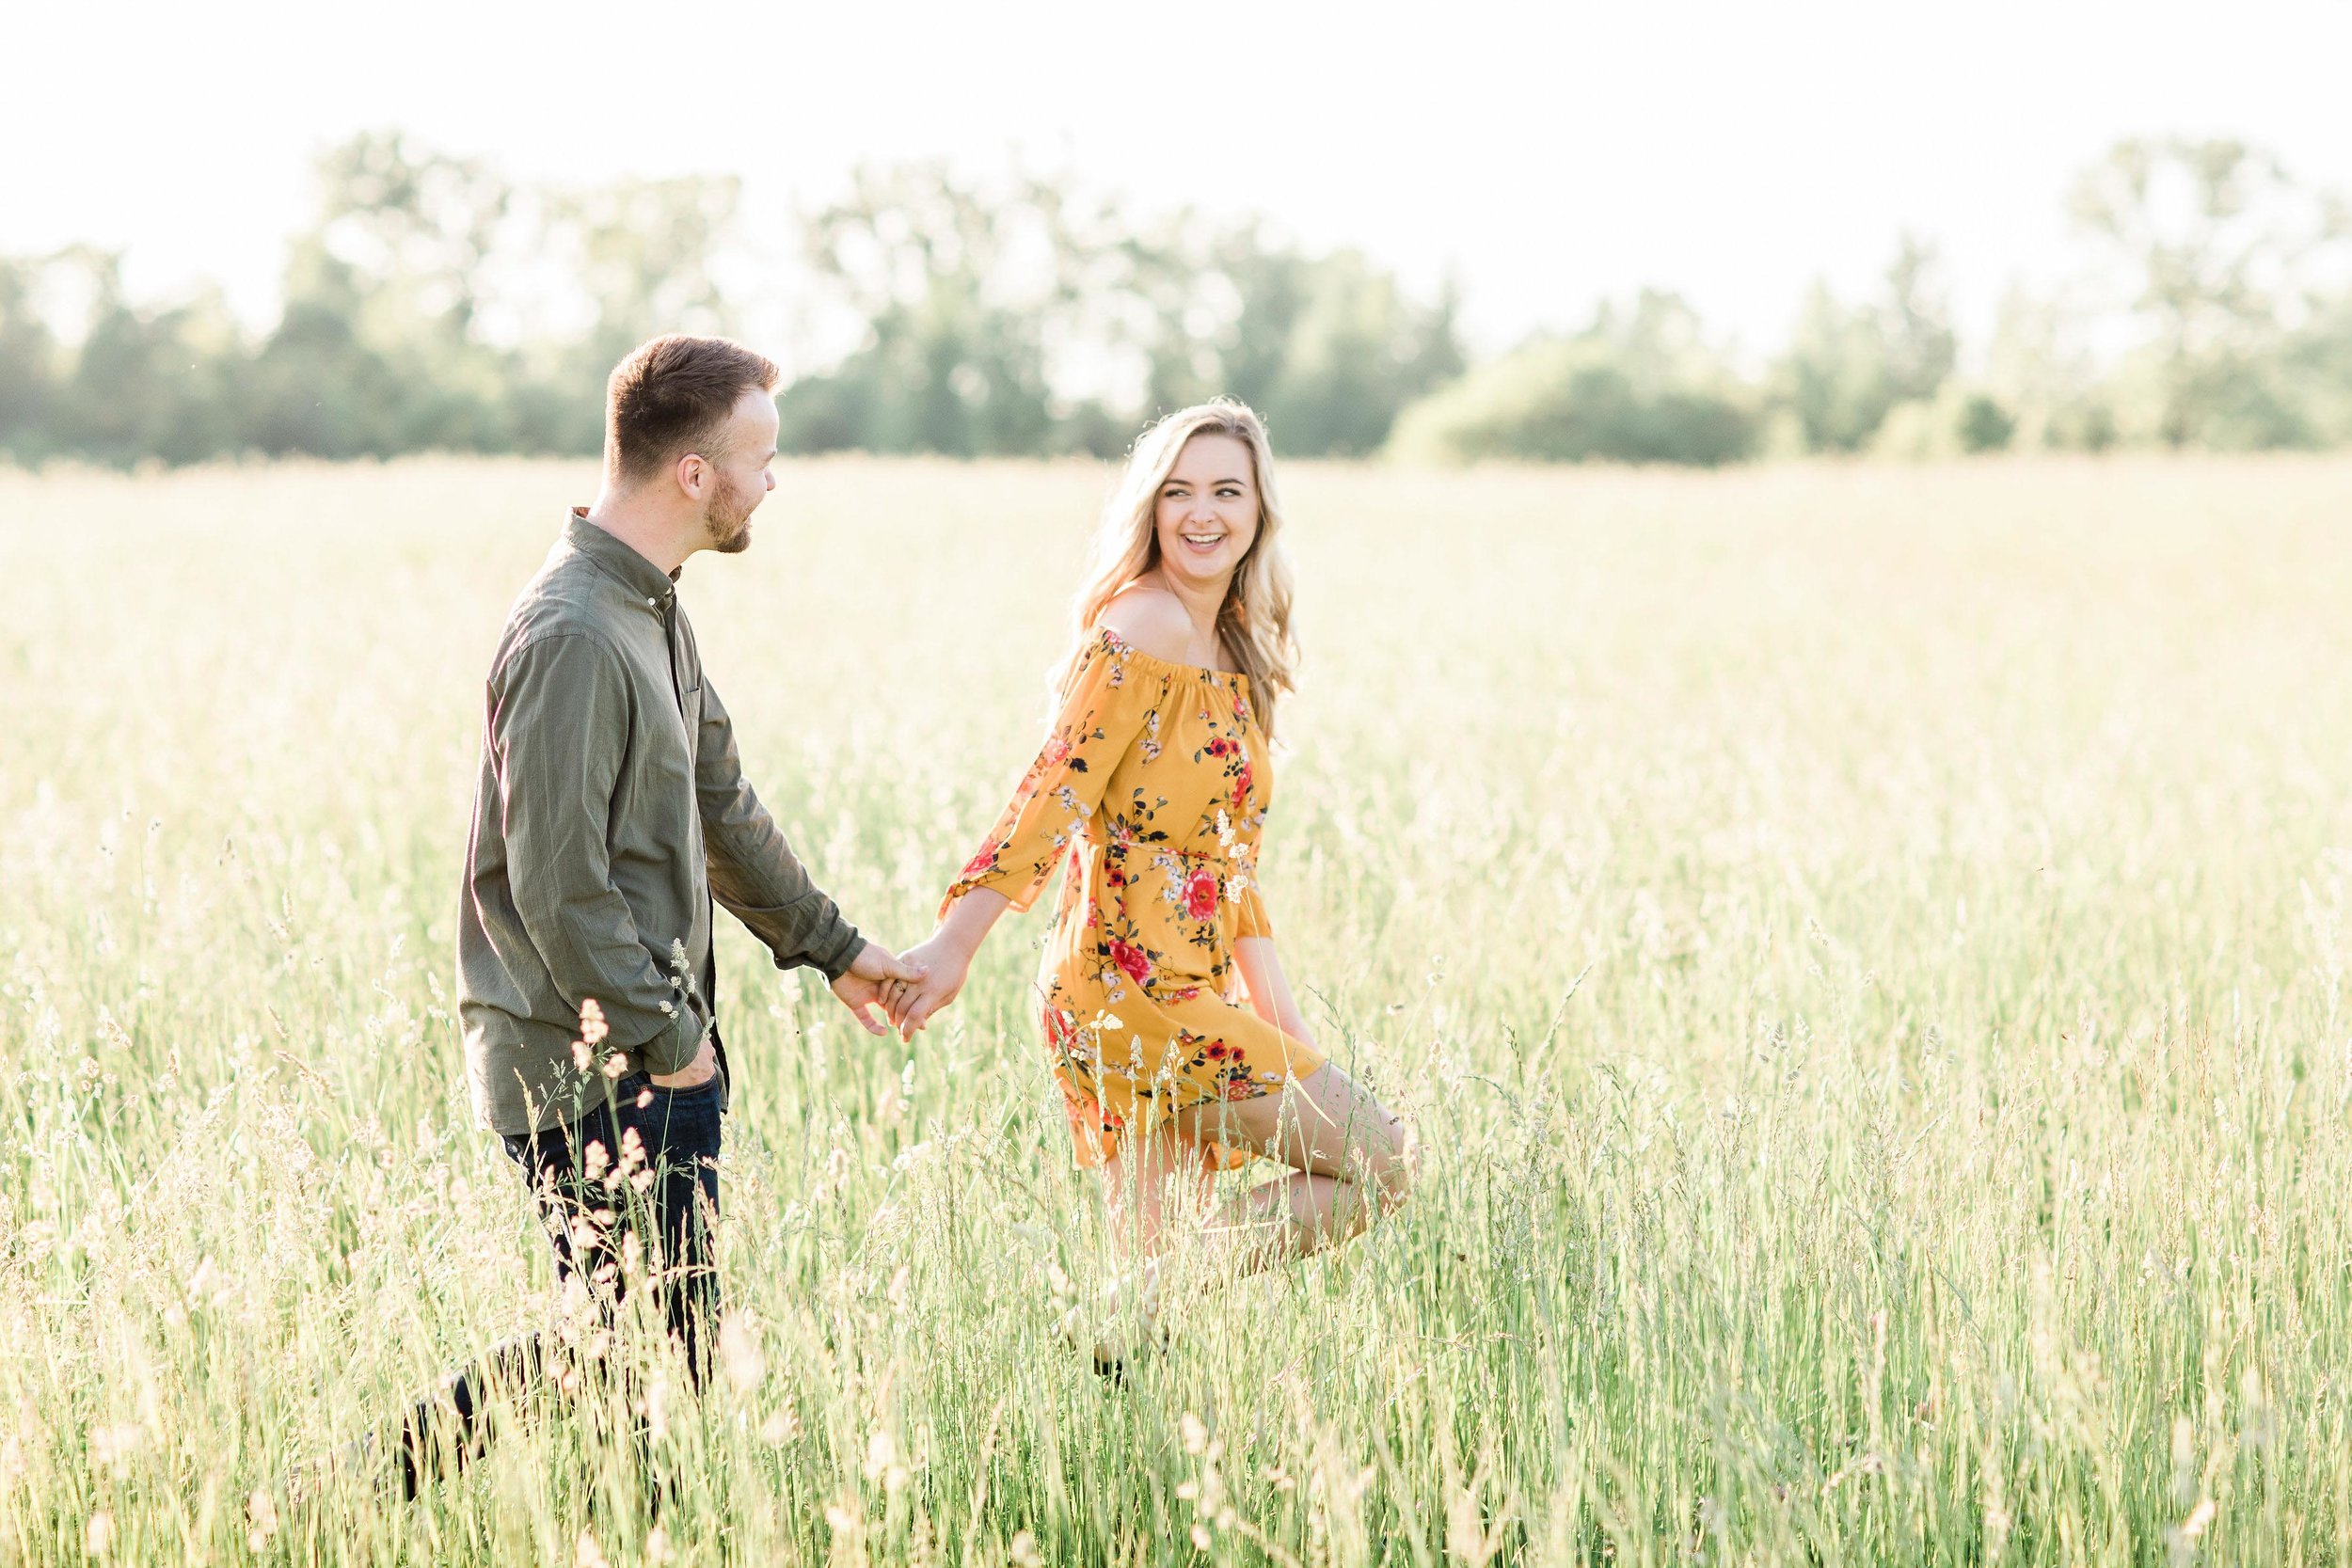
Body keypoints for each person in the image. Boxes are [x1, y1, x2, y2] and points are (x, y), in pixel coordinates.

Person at [403, 334, 922, 1492]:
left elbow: (720, 802)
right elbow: (557, 882)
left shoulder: (650, 604)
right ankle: (354, 1490)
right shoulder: (577, 630)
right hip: (583, 1059)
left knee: (641, 1345)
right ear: (695, 473)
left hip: (643, 1045)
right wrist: (671, 1042)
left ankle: (552, 1513)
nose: (773, 482)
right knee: (631, 1339)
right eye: (761, 456)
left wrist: (835, 949)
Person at [882, 400, 1413, 1362]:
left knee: (1145, 1317)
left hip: (1186, 986)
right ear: (1150, 508)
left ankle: (1108, 1368)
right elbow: (1054, 785)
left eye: (1225, 490)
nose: (1201, 512)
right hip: (1125, 987)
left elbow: (1228, 868)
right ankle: (1116, 1313)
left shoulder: (1232, 647)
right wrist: (957, 939)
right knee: (1378, 1158)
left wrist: (1281, 1024)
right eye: (1178, 491)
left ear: (1259, 511)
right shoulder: (1144, 621)